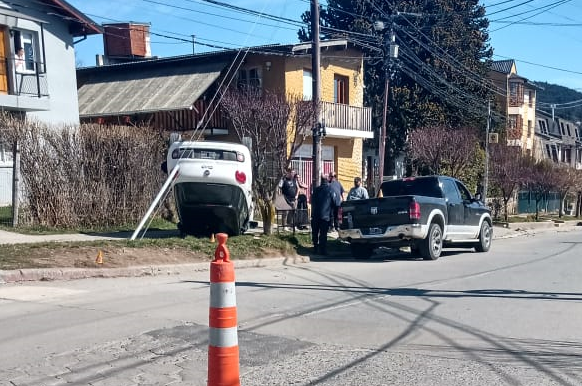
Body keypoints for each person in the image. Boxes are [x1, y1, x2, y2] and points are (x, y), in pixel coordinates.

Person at [311, 174, 341, 255]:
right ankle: (322, 250)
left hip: (315, 215)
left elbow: (312, 201)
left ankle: (315, 248)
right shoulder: (330, 190)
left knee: (315, 232)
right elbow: (335, 202)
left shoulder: (316, 190)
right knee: (323, 234)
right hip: (325, 215)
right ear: (327, 180)